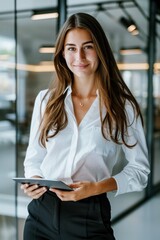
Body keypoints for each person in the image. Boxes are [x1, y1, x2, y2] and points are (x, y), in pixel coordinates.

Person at [21, 12, 150, 240]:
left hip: (89, 214)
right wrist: (34, 179)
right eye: (71, 48)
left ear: (99, 49)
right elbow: (34, 157)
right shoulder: (46, 100)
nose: (79, 56)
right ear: (62, 53)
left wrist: (97, 187)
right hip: (41, 212)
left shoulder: (123, 106)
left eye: (87, 47)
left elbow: (140, 172)